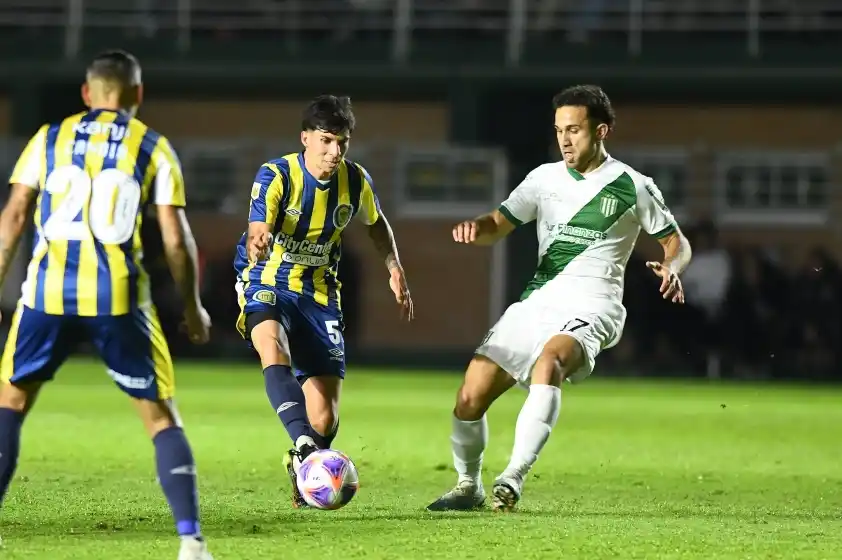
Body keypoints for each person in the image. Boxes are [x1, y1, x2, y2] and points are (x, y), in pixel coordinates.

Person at [426, 84, 692, 513]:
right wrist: (477, 228)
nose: (565, 140)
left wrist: (672, 268)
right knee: (470, 396)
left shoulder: (632, 186)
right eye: (559, 131)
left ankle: (512, 477)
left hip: (594, 306)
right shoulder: (542, 179)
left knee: (549, 363)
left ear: (601, 130)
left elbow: (676, 241)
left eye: (574, 130)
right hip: (537, 303)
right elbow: (499, 221)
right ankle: (467, 485)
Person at [0, 50, 214, 560]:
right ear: (138, 95)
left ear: (85, 93)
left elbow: (13, 218)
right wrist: (192, 306)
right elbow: (176, 239)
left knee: (10, 402)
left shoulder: (49, 138)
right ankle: (190, 541)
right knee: (160, 417)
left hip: (46, 293)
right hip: (117, 296)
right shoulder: (153, 146)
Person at [233, 94, 414, 508]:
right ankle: (303, 447)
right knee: (272, 345)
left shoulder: (356, 181)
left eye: (342, 143)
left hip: (320, 291)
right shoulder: (277, 173)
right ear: (306, 138)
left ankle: (304, 459)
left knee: (325, 419)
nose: (334, 152)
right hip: (268, 277)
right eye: (327, 141)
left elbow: (377, 224)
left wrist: (394, 266)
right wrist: (259, 235)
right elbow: (259, 221)